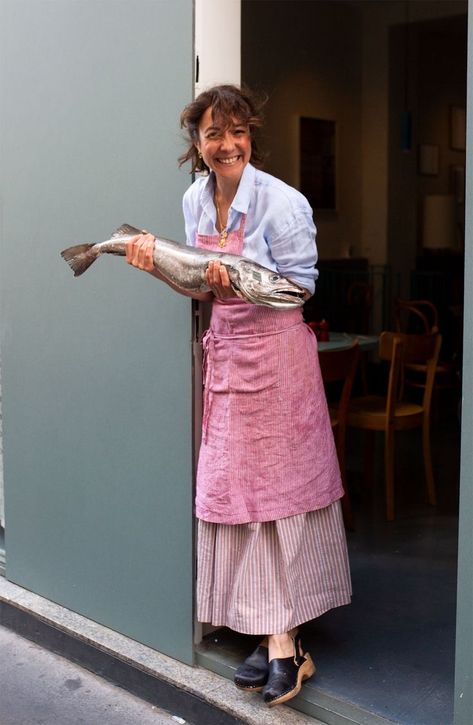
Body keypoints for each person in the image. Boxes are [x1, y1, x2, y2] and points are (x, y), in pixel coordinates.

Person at [125, 85, 351, 708]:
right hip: (227, 360)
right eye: (213, 135)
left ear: (250, 136)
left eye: (238, 133)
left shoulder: (283, 204)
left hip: (279, 363)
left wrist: (239, 288)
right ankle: (267, 631)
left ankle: (286, 643)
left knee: (280, 498)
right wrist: (159, 266)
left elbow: (300, 290)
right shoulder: (196, 198)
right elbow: (202, 290)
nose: (228, 145)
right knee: (238, 497)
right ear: (196, 145)